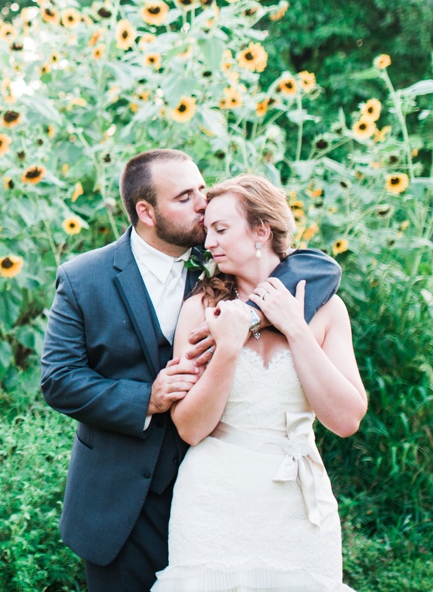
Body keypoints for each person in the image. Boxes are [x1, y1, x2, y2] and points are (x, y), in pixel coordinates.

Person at [41, 150, 342, 592]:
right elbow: (59, 379)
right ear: (146, 211)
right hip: (121, 494)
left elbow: (317, 266)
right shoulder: (85, 278)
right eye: (185, 197)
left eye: (202, 189)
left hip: (213, 486)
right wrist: (147, 398)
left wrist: (251, 316)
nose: (202, 204)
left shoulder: (219, 257)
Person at [152, 175, 366, 591]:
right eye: (206, 230)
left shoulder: (326, 309)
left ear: (261, 231)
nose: (208, 242)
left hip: (299, 508)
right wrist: (228, 349)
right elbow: (191, 429)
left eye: (221, 229)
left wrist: (296, 329)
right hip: (215, 500)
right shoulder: (200, 310)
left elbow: (345, 419)